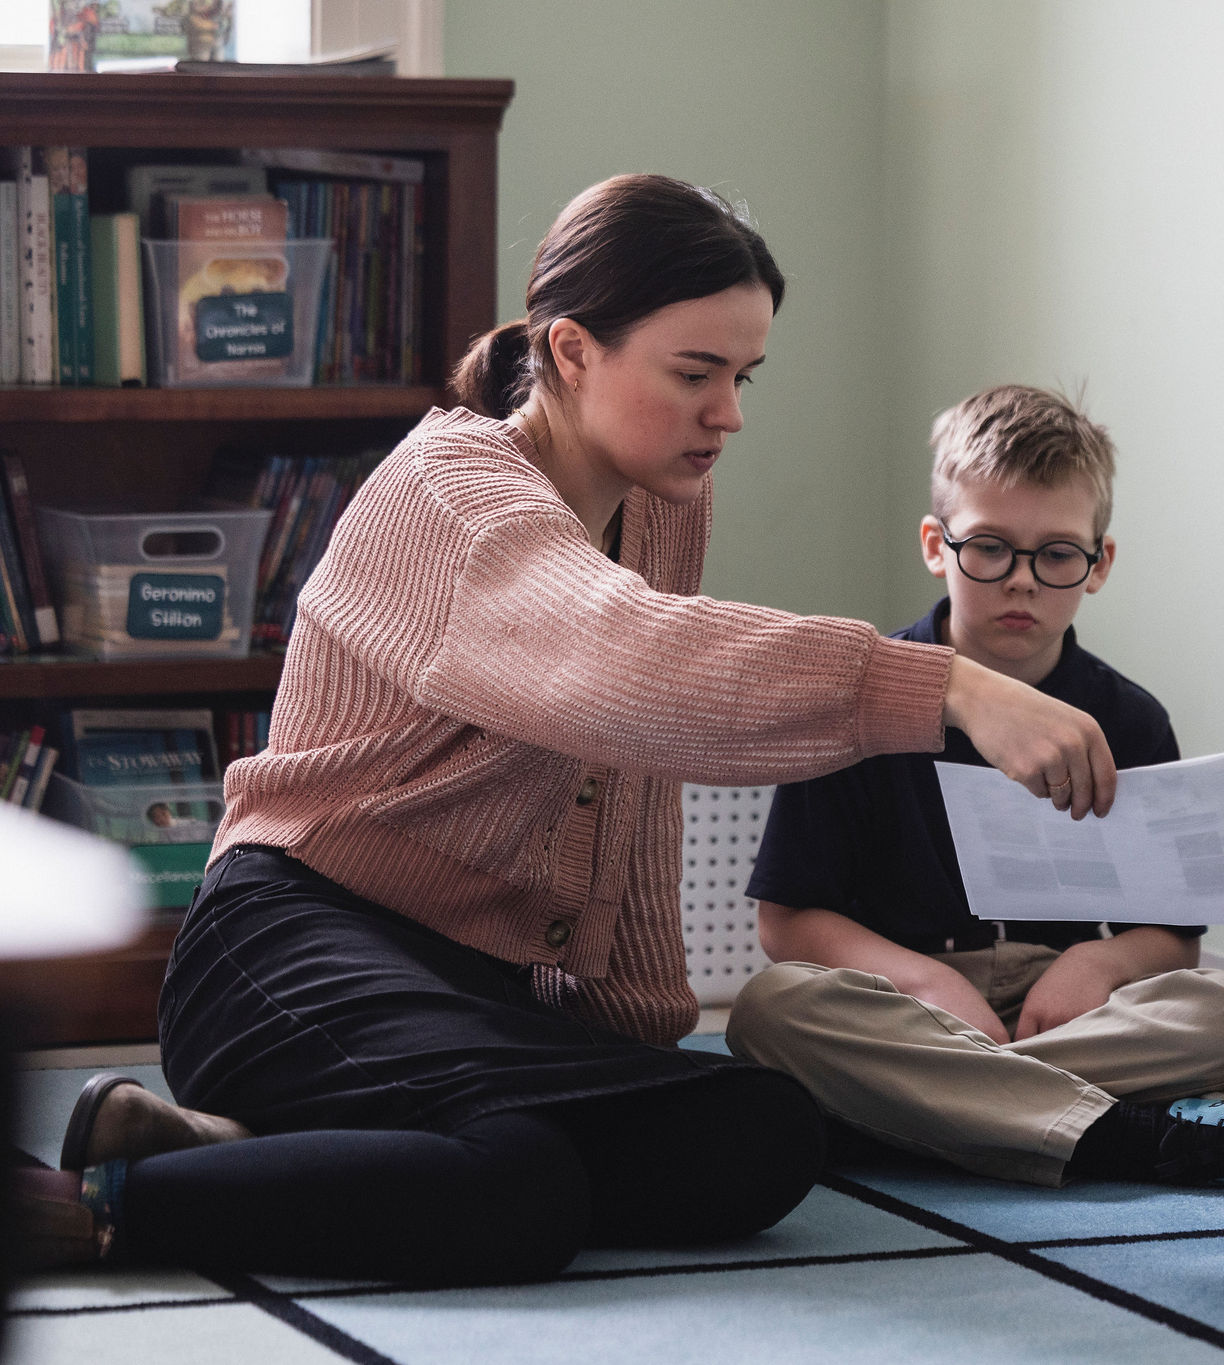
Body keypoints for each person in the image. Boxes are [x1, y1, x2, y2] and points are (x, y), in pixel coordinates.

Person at [11, 176, 1118, 1285]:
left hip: (471, 991)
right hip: (290, 947)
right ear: (574, 351)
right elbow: (624, 661)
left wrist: (629, 1039)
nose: (728, 413)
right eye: (695, 374)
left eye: (742, 376)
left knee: (759, 1136)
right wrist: (953, 688)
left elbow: (630, 774)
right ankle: (76, 1210)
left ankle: (235, 1156)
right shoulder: (453, 494)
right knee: (516, 1184)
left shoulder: (662, 499)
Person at [725, 385, 1224, 1188]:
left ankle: (922, 1113)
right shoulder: (861, 694)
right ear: (935, 543)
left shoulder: (1131, 719)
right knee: (769, 1009)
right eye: (988, 547)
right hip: (902, 994)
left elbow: (1172, 937)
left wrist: (1093, 969)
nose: (1021, 581)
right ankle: (1106, 1133)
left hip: (1061, 1006)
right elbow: (788, 924)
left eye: (1058, 554)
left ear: (1100, 564)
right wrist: (929, 980)